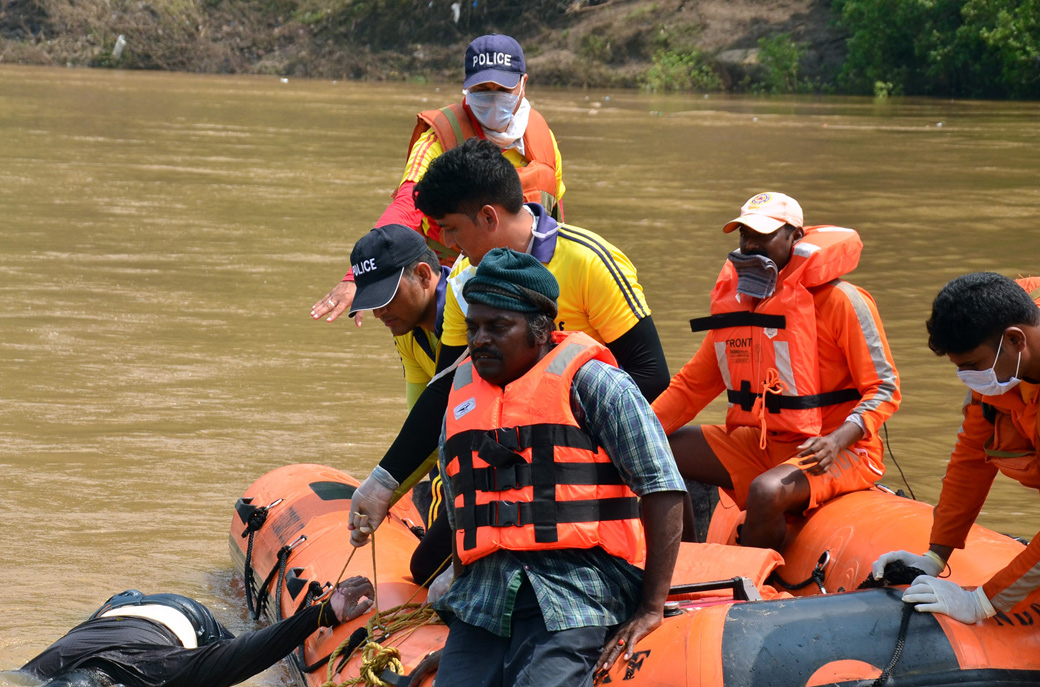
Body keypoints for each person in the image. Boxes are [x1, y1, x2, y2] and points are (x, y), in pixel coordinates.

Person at [415, 248, 685, 687]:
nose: (479, 339)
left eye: (497, 326)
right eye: (474, 325)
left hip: (579, 583)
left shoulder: (597, 383)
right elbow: (466, 512)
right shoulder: (460, 394)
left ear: (541, 330)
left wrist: (652, 606)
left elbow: (663, 489)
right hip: (486, 590)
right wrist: (455, 623)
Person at [348, 138, 669, 558]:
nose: (445, 241)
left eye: (451, 227)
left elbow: (652, 375)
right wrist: (383, 482)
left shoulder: (588, 262)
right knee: (427, 564)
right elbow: (448, 390)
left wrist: (560, 442)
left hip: (587, 452)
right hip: (506, 458)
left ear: (487, 217)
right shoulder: (466, 279)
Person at [650, 192, 900, 550]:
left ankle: (755, 585)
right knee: (658, 449)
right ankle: (687, 566)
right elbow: (690, 388)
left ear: (794, 237)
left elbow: (885, 387)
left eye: (763, 235)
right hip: (763, 443)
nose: (750, 245)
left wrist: (837, 440)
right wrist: (634, 432)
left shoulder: (842, 301)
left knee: (766, 491)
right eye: (744, 236)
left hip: (837, 448)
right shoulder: (739, 307)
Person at [311, 33, 565, 325]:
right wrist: (360, 276)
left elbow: (556, 218)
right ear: (467, 87)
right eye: (483, 89)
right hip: (455, 293)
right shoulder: (438, 140)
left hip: (528, 291)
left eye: (503, 88)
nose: (494, 96)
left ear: (523, 83)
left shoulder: (544, 139)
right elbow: (406, 206)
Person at [874, 273, 1040, 623]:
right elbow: (971, 460)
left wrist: (982, 602)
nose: (967, 377)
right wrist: (934, 556)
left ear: (1015, 340)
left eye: (972, 366)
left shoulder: (999, 358)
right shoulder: (1000, 367)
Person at [18, 578, 374, 687]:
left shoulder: (146, 669)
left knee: (235, 659)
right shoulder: (37, 671)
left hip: (185, 615)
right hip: (118, 607)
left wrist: (323, 614)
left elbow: (242, 655)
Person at [347, 224, 449, 412]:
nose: (378, 314)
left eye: (387, 296)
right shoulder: (407, 334)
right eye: (373, 302)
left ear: (423, 275)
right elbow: (421, 417)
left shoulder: (472, 312)